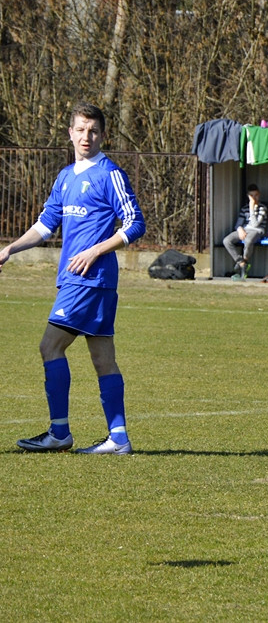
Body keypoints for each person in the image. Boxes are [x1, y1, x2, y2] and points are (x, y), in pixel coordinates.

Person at [0, 102, 146, 454]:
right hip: (83, 282)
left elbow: (136, 224)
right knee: (103, 359)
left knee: (50, 346)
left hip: (89, 279)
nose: (86, 136)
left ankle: (59, 432)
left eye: (93, 130)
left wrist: (96, 250)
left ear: (103, 135)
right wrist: (9, 249)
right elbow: (45, 225)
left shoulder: (110, 174)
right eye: (80, 129)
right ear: (70, 132)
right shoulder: (66, 177)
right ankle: (119, 438)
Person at [223, 184, 268, 281]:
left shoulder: (262, 208)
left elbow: (255, 224)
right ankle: (241, 263)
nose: (254, 198)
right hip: (244, 230)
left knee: (248, 241)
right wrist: (240, 229)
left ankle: (244, 261)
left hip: (257, 231)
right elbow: (238, 224)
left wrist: (252, 208)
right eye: (251, 196)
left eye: (256, 195)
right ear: (248, 196)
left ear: (259, 195)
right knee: (227, 241)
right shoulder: (244, 209)